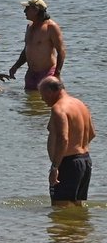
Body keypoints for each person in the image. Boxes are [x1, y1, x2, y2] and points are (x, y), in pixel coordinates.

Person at [39, 76, 94, 206]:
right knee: (76, 207)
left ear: (50, 91)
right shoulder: (80, 104)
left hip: (68, 164)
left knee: (59, 210)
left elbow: (63, 139)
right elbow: (92, 133)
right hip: (85, 161)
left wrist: (55, 167)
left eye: (42, 95)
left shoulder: (58, 109)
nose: (42, 99)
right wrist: (78, 148)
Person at [9, 0, 66, 91]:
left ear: (36, 10)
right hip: (31, 73)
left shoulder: (51, 27)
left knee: (47, 102)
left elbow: (61, 52)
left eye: (27, 9)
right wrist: (16, 66)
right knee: (31, 101)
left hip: (48, 73)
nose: (24, 11)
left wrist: (57, 74)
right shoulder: (29, 26)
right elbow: (27, 49)